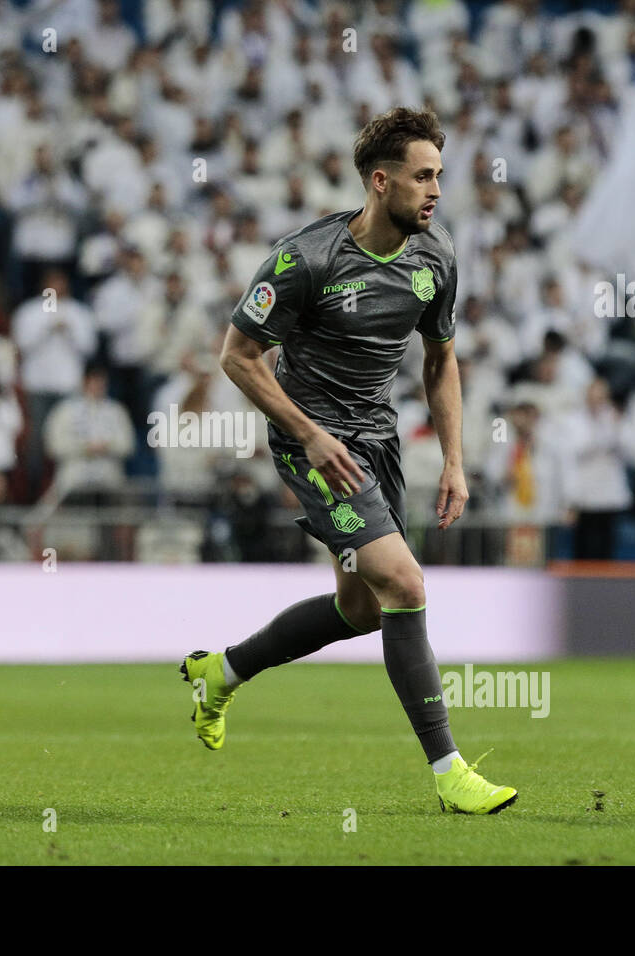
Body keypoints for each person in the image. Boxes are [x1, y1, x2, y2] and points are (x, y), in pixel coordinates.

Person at [182, 107, 517, 814]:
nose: (434, 190)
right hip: (314, 444)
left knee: (360, 608)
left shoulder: (436, 260)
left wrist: (454, 460)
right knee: (405, 581)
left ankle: (223, 672)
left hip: (377, 442)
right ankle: (450, 770)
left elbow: (441, 362)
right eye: (422, 177)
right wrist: (306, 433)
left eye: (439, 177)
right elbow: (237, 358)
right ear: (379, 180)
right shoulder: (307, 259)